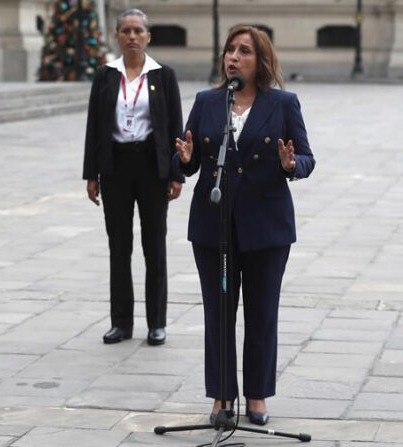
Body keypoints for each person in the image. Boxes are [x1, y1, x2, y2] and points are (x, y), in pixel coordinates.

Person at [174, 26, 315, 425]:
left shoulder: (283, 104)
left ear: (261, 60)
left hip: (266, 228)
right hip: (213, 226)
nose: (234, 57)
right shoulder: (207, 102)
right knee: (218, 314)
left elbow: (306, 157)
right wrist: (183, 159)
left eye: (244, 51)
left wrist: (292, 166)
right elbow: (188, 162)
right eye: (230, 50)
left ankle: (257, 396)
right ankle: (221, 397)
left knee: (261, 313)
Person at [82, 9, 183, 346]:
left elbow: (173, 128)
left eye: (138, 30)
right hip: (116, 167)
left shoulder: (163, 76)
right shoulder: (106, 75)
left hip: (152, 167)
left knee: (154, 246)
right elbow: (95, 127)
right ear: (117, 36)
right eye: (125, 30)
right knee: (119, 247)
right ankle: (121, 323)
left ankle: (157, 323)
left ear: (148, 36)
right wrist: (91, 174)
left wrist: (176, 173)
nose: (132, 36)